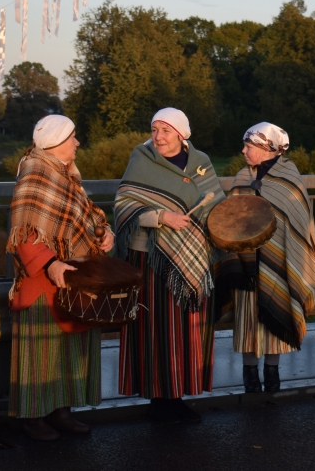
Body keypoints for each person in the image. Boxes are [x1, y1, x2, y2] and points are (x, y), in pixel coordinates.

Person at [6, 115, 115, 441]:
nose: (77, 143)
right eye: (72, 137)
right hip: (43, 280)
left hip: (74, 277)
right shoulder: (36, 174)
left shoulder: (66, 175)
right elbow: (25, 231)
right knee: (42, 350)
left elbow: (86, 215)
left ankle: (61, 411)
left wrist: (104, 232)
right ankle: (33, 417)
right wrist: (50, 263)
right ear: (55, 142)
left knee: (68, 348)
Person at [114, 108, 225, 423]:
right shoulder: (141, 158)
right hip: (151, 257)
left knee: (185, 330)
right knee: (155, 330)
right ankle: (159, 400)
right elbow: (124, 205)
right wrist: (162, 217)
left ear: (181, 134)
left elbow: (215, 204)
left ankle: (177, 394)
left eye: (165, 131)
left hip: (192, 257)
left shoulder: (200, 162)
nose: (158, 137)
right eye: (154, 129)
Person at [215, 122, 315, 393]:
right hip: (246, 262)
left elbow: (299, 223)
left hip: (281, 262)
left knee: (277, 309)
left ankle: (273, 371)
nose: (243, 151)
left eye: (248, 146)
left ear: (267, 148)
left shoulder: (290, 178)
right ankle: (250, 373)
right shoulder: (242, 178)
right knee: (248, 318)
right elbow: (231, 218)